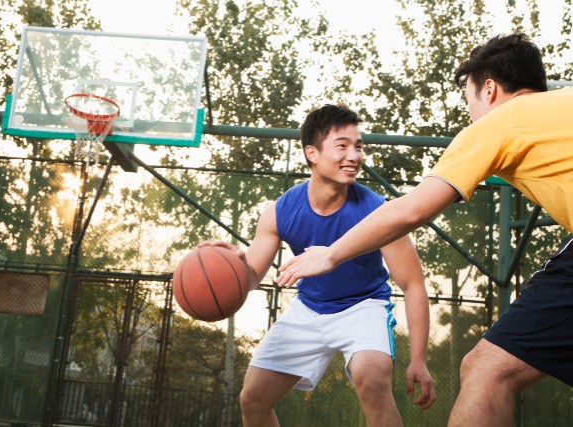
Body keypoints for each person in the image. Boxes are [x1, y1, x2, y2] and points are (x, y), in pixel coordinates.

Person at [276, 32, 573, 426]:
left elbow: (411, 210)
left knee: (487, 371)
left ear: (489, 89)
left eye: (469, 100)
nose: (470, 114)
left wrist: (330, 253)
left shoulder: (503, 120)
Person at [199, 104, 435, 427]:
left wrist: (419, 359)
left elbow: (413, 284)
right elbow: (251, 276)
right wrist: (230, 262)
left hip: (363, 307)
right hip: (309, 310)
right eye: (342, 146)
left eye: (358, 146)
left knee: (372, 378)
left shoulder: (379, 211)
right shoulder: (281, 212)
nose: (354, 156)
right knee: (252, 399)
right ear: (312, 153)